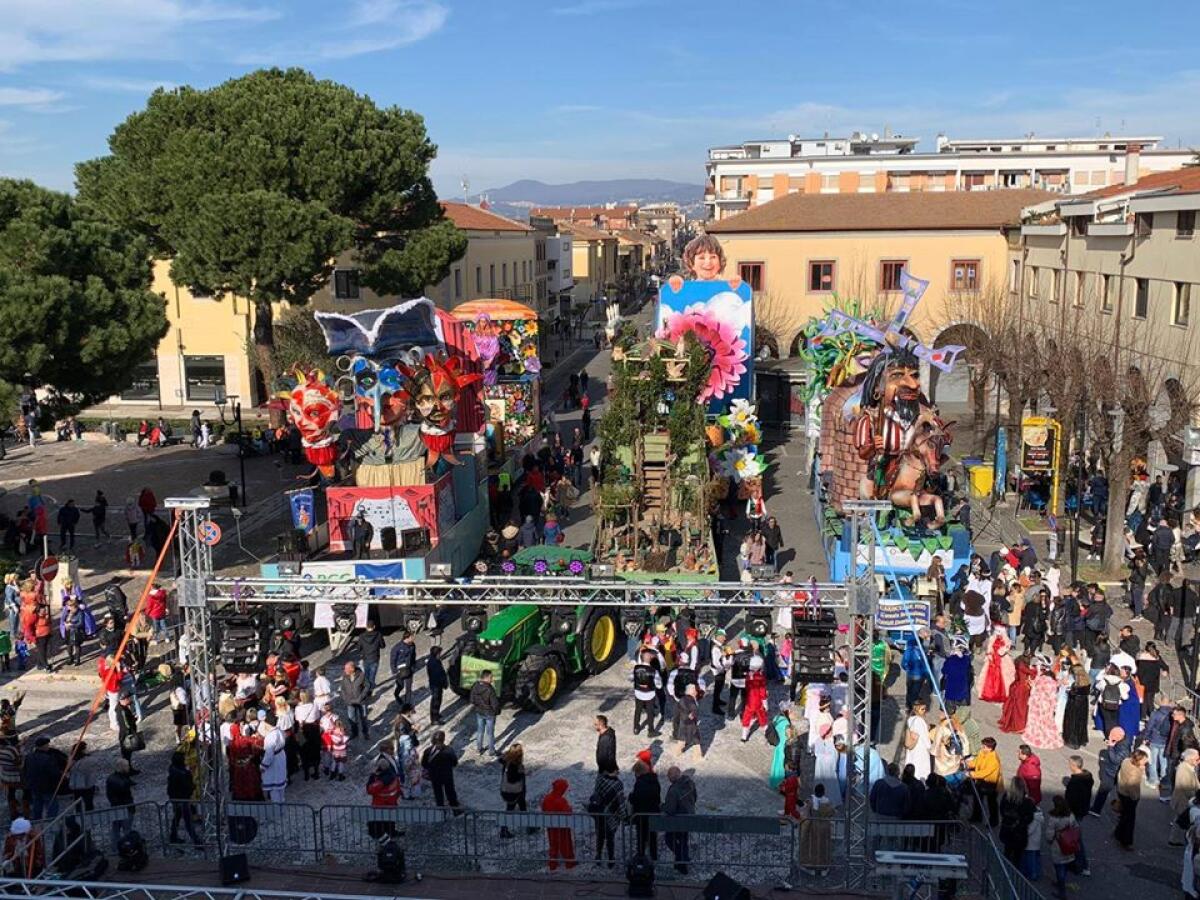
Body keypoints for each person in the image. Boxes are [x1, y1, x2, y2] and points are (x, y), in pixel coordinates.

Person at [587, 764, 626, 866]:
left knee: (600, 836)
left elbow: (595, 794)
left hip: (600, 813)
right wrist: (623, 814)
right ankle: (610, 859)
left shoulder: (600, 781)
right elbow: (620, 801)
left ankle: (598, 856)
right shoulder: (618, 784)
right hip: (612, 814)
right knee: (610, 838)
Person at [663, 766, 696, 875]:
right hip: (689, 816)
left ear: (672, 777)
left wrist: (662, 807)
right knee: (683, 840)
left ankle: (682, 860)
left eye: (669, 776)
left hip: (678, 820)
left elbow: (670, 809)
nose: (668, 778)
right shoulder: (690, 783)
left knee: (669, 839)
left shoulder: (673, 790)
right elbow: (695, 797)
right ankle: (681, 861)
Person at [22, 737, 65, 820]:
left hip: (34, 786)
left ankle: (37, 823)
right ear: (43, 746)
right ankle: (50, 824)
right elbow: (54, 773)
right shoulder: (48, 759)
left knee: (37, 805)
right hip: (47, 787)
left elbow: (25, 771)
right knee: (52, 806)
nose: (48, 746)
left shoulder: (29, 757)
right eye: (47, 745)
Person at [1045, 795, 1079, 899]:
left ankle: (1062, 890)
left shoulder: (1054, 819)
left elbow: (1049, 835)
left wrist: (1050, 840)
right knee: (1065, 866)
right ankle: (1060, 883)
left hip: (1058, 846)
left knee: (1059, 868)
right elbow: (1076, 827)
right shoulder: (1071, 816)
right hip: (1070, 844)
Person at [1090, 726, 1130, 815]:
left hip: (1112, 772)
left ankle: (1096, 809)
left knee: (1103, 791)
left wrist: (1110, 747)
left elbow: (1115, 760)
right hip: (1114, 772)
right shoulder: (1124, 741)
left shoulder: (1123, 748)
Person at [166, 751, 201, 845]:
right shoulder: (182, 773)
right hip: (183, 799)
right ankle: (196, 841)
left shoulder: (173, 769)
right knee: (188, 820)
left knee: (177, 818)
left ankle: (173, 836)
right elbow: (188, 786)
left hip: (176, 799)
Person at [1114, 749, 1147, 849]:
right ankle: (1125, 841)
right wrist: (1135, 798)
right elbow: (1132, 787)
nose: (1146, 762)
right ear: (1138, 760)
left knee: (1124, 815)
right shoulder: (1135, 772)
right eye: (1144, 760)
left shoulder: (1126, 761)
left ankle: (1118, 833)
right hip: (1129, 797)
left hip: (1121, 791)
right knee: (1129, 819)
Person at [540, 778, 576, 871]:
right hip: (562, 827)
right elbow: (567, 812)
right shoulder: (561, 801)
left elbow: (543, 808)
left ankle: (552, 864)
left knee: (553, 844)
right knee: (566, 844)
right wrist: (570, 809)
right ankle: (569, 863)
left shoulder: (547, 798)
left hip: (551, 826)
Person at [629, 758, 661, 860]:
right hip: (653, 814)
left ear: (639, 772)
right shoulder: (655, 781)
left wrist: (631, 797)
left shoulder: (640, 783)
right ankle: (654, 856)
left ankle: (641, 857)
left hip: (641, 815)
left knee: (641, 838)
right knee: (652, 837)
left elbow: (637, 798)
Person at [420, 731, 460, 812]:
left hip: (434, 776)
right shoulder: (449, 750)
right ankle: (455, 810)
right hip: (447, 775)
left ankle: (441, 811)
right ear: (443, 739)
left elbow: (424, 764)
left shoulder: (428, 751)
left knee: (438, 793)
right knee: (450, 792)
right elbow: (454, 763)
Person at [967, 737, 1002, 826]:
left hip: (991, 783)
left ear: (990, 748)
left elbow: (985, 772)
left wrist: (972, 774)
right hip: (981, 782)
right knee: (977, 799)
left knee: (992, 803)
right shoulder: (982, 753)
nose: (982, 747)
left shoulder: (994, 759)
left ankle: (994, 821)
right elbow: (976, 762)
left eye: (984, 746)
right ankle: (977, 816)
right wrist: (968, 764)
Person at [104, 759, 136, 850]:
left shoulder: (112, 778)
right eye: (127, 766)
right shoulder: (122, 780)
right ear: (122, 767)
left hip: (116, 807)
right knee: (126, 829)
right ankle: (127, 848)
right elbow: (123, 790)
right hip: (125, 807)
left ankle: (115, 848)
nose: (129, 767)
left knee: (116, 829)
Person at [498, 744, 528, 837]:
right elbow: (512, 779)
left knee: (522, 807)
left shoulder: (507, 761)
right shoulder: (515, 765)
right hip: (514, 791)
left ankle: (530, 825)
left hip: (509, 790)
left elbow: (501, 759)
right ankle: (503, 830)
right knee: (510, 809)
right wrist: (521, 773)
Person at [999, 654, 1033, 734]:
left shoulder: (1019, 664)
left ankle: (1014, 723)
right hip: (1022, 689)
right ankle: (1019, 726)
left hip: (1018, 687)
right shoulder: (1023, 666)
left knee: (1015, 707)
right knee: (1020, 708)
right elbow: (1031, 673)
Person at [470, 670, 500, 757]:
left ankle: (479, 749)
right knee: (490, 733)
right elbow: (495, 704)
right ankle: (491, 751)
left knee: (480, 731)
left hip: (479, 712)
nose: (492, 679)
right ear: (486, 678)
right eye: (491, 677)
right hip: (489, 714)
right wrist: (497, 712)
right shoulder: (490, 689)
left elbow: (472, 700)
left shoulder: (475, 685)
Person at [632, 650, 662, 736]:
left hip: (638, 693)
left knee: (637, 710)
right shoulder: (653, 671)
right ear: (649, 659)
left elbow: (630, 678)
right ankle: (651, 731)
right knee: (650, 712)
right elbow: (659, 684)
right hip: (650, 694)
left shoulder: (636, 668)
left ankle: (636, 728)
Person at [1062, 666, 1091, 750]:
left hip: (1074, 706)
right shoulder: (1087, 684)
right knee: (1081, 724)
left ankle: (1073, 741)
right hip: (1083, 706)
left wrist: (1069, 691)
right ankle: (1081, 740)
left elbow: (1072, 693)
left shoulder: (1076, 685)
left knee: (1072, 724)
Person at [353, 620, 385, 695]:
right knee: (372, 675)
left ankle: (366, 688)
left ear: (366, 627)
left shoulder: (361, 636)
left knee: (366, 674)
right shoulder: (378, 635)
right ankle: (370, 689)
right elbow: (383, 646)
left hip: (366, 658)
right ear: (374, 627)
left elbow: (358, 648)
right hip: (375, 658)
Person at [339, 661, 370, 740]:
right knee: (352, 718)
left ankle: (365, 733)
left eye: (346, 669)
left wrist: (361, 697)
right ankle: (354, 732)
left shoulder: (361, 675)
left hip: (361, 701)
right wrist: (345, 698)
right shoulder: (345, 676)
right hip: (349, 702)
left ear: (352, 669)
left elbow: (367, 686)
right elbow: (342, 689)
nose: (344, 670)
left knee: (363, 718)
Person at [903, 700, 932, 780]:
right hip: (921, 749)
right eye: (922, 709)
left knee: (912, 762)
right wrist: (930, 747)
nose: (924, 711)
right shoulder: (919, 721)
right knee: (921, 769)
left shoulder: (910, 719)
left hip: (913, 747)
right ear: (917, 709)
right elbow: (924, 737)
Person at [389, 630, 416, 707]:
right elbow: (393, 659)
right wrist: (394, 670)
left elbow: (413, 656)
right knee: (400, 686)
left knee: (408, 688)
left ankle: (407, 704)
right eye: (412, 637)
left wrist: (413, 666)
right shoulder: (397, 647)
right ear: (407, 637)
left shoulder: (412, 645)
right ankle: (396, 694)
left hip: (409, 669)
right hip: (400, 671)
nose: (414, 638)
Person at [116, 694, 141, 771]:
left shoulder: (121, 708)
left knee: (127, 755)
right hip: (126, 736)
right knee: (126, 755)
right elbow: (127, 725)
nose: (130, 699)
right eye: (129, 698)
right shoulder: (123, 710)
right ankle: (126, 771)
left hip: (124, 735)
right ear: (124, 699)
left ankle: (128, 769)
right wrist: (133, 720)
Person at [426, 645, 447, 726]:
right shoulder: (434, 663)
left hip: (437, 685)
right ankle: (434, 719)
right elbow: (437, 676)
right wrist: (443, 683)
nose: (440, 655)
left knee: (438, 701)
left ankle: (436, 714)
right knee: (435, 702)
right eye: (439, 653)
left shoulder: (434, 660)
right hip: (436, 686)